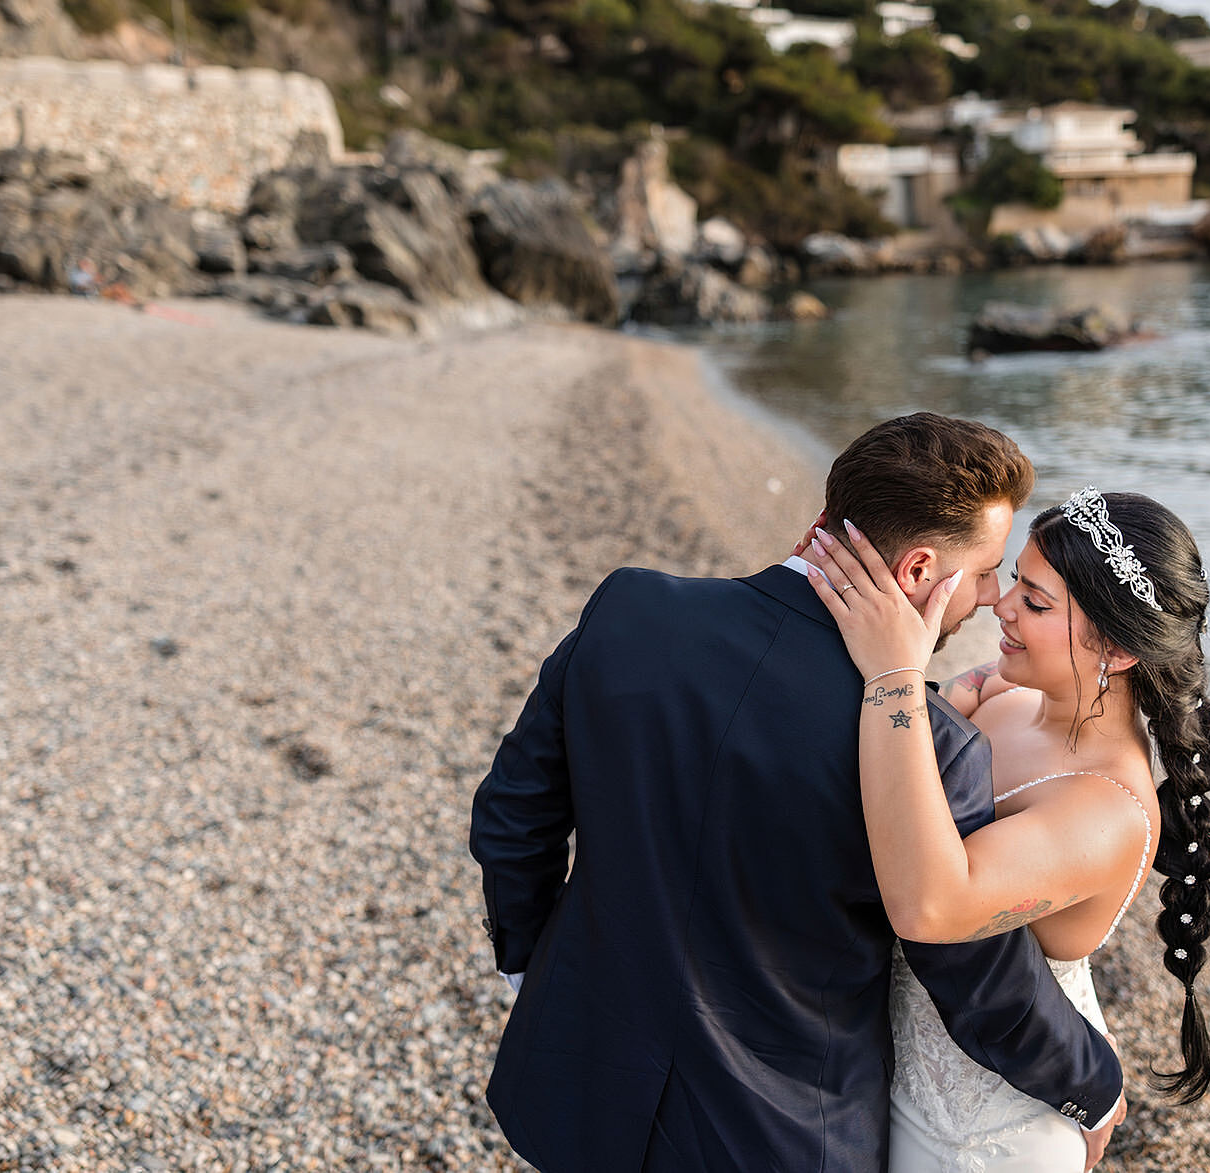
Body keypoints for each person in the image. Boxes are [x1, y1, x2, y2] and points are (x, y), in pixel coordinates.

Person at [469, 415, 1126, 1172]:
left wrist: (530, 966)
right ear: (916, 571)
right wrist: (1094, 1085)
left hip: (575, 1072)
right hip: (773, 1131)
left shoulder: (630, 611)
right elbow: (974, 972)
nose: (987, 597)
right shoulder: (932, 746)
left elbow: (514, 813)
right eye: (983, 572)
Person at [801, 487, 1210, 1171]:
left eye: (1033, 601)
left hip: (984, 1123)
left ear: (1116, 648)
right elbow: (927, 718)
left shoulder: (1107, 807)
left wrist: (893, 672)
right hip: (880, 1067)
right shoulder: (1007, 691)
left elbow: (931, 904)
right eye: (1015, 583)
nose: (999, 604)